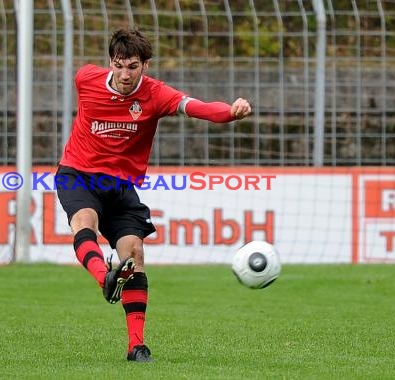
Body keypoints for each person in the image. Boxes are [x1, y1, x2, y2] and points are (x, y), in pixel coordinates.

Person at [55, 28, 251, 362]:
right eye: (118, 65)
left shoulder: (156, 94)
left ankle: (137, 346)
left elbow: (199, 108)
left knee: (134, 253)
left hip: (120, 187)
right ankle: (106, 278)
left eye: (132, 66)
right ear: (110, 63)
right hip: (78, 174)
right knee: (83, 221)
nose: (124, 74)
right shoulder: (86, 79)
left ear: (145, 65)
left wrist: (230, 112)